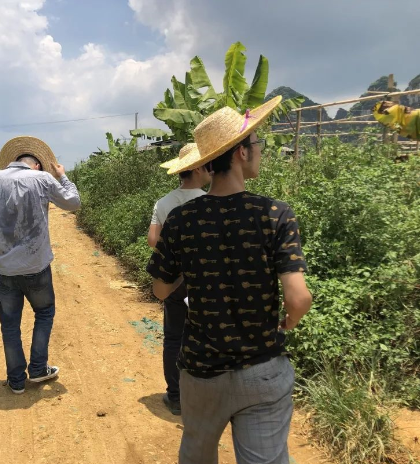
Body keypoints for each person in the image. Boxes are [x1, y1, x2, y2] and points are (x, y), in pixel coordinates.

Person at [146, 96, 313, 464]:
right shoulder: (275, 213)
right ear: (241, 152)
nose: (260, 150)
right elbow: (298, 298)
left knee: (197, 455)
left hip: (202, 372)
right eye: (257, 143)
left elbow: (160, 289)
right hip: (262, 370)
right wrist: (290, 320)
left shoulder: (182, 220)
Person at [0, 136, 81, 394]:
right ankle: (38, 369)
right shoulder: (43, 179)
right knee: (44, 313)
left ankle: (16, 380)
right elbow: (73, 203)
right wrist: (62, 177)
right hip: (36, 266)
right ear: (37, 164)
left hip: (5, 269)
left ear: (14, 161)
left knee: (10, 323)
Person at [147, 143, 210, 415]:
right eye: (206, 165)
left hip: (174, 278)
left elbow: (153, 240)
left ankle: (175, 396)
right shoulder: (211, 200)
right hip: (207, 279)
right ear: (197, 168)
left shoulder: (164, 202)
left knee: (174, 337)